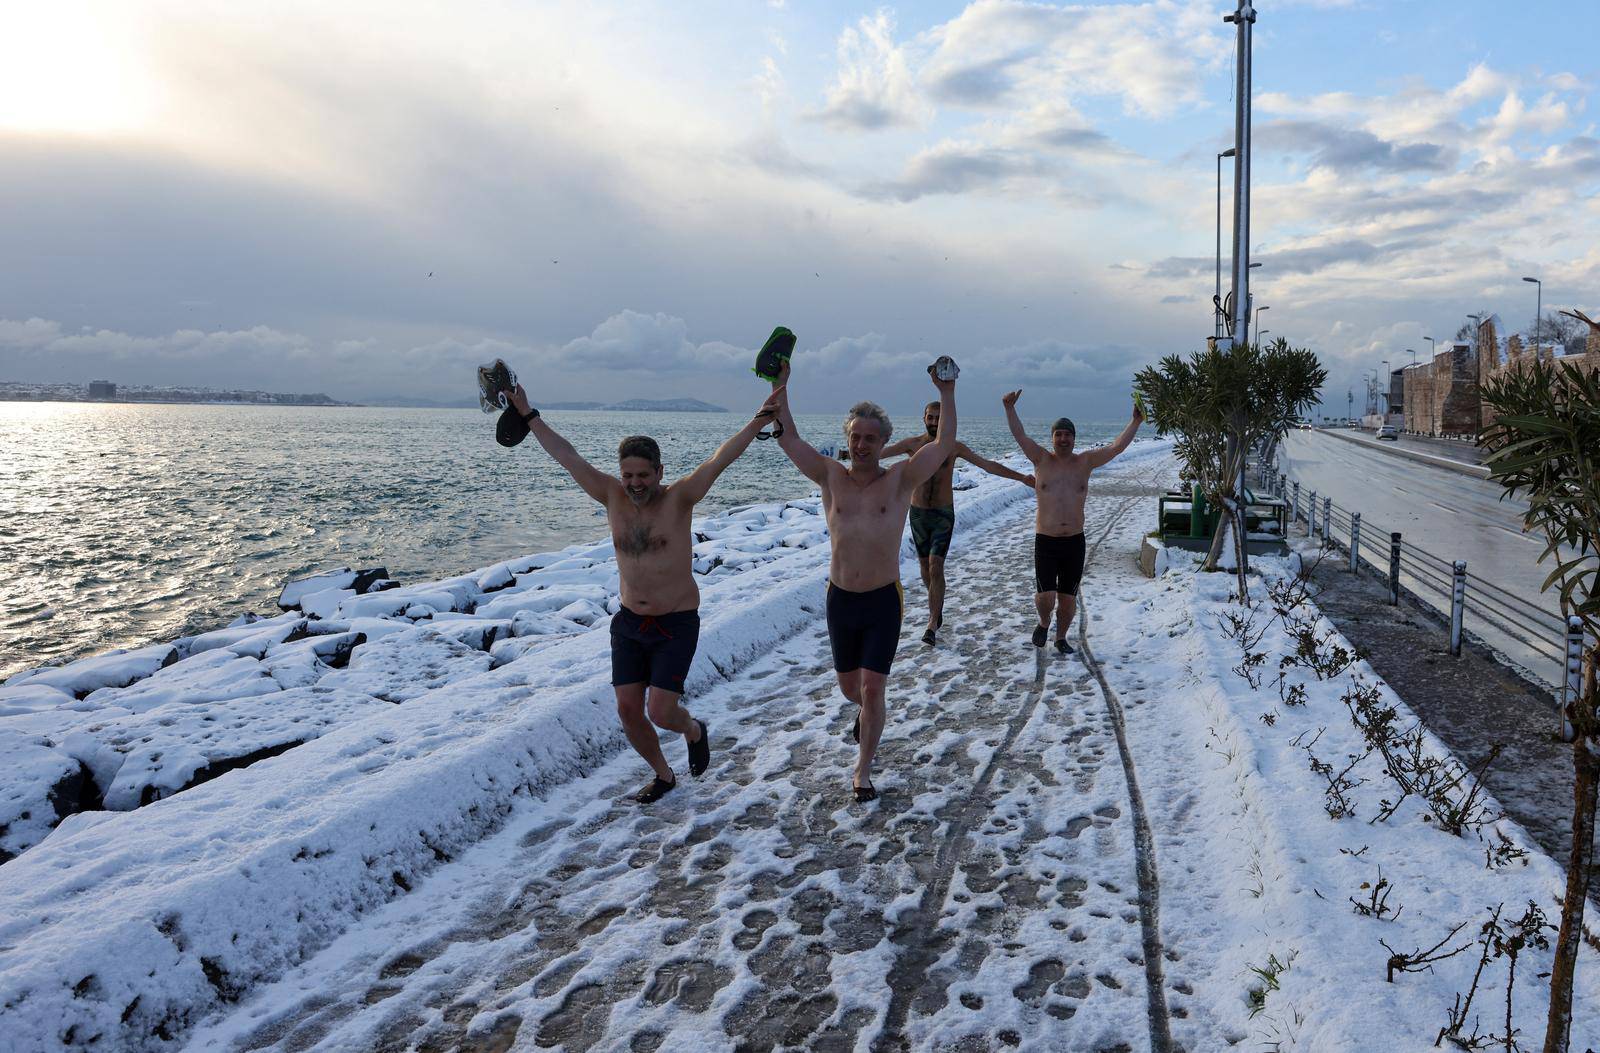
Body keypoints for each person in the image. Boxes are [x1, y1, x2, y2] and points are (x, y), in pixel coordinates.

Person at [508, 383, 781, 803]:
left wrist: (760, 420)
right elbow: (567, 456)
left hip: (676, 623)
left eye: (643, 475)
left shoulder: (681, 498)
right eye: (628, 475)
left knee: (662, 712)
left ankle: (693, 730)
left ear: (659, 472)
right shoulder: (611, 496)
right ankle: (664, 775)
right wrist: (528, 414)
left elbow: (721, 458)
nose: (635, 483)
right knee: (628, 710)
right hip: (630, 621)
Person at [766, 361, 956, 802]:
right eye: (856, 436)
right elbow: (789, 438)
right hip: (841, 600)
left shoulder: (900, 479)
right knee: (851, 688)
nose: (862, 444)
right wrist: (780, 385)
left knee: (873, 688)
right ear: (847, 437)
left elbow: (944, 442)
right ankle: (867, 715)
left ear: (885, 442)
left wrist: (946, 393)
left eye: (871, 438)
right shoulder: (830, 476)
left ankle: (863, 770)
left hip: (882, 602)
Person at [881, 402, 1034, 645]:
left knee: (935, 566)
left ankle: (931, 623)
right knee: (924, 569)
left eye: (938, 418)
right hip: (918, 514)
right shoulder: (912, 444)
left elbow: (988, 465)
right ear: (923, 418)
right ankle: (937, 605)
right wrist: (841, 456)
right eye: (930, 417)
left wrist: (1021, 477)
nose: (933, 422)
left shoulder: (953, 447)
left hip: (943, 514)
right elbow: (878, 454)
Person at [1002, 390, 1143, 654]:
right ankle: (1044, 623)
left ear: (1074, 438)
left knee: (1067, 601)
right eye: (1059, 434)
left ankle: (1060, 637)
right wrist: (1009, 408)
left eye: (1068, 434)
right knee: (1046, 598)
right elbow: (1020, 435)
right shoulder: (1041, 459)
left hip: (1074, 542)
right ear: (1052, 438)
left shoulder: (1085, 462)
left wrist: (1135, 421)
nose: (1063, 438)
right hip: (1045, 540)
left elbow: (1116, 448)